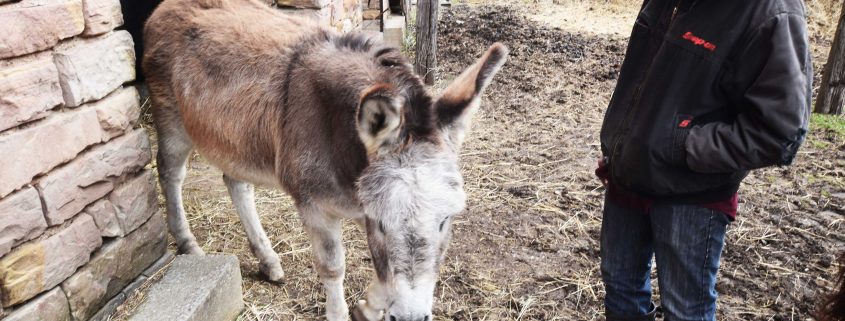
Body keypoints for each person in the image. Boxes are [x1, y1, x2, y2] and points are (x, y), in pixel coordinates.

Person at [595, 0, 811, 320]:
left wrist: (679, 145)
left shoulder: (773, 13)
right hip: (630, 172)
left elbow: (780, 132)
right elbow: (644, 80)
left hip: (692, 194)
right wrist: (619, 143)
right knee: (620, 287)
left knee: (685, 309)